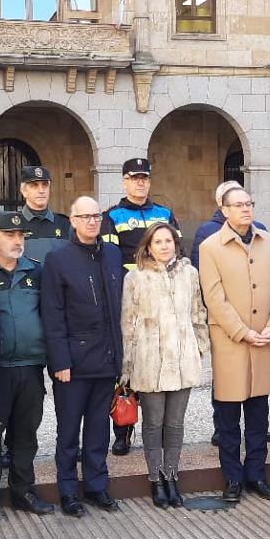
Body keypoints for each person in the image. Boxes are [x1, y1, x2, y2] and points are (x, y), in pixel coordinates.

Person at [199, 186, 270, 502]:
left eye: (249, 203)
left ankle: (257, 475)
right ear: (224, 210)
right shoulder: (210, 247)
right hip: (231, 343)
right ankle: (233, 478)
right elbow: (214, 298)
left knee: (259, 415)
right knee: (228, 417)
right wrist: (244, 331)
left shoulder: (268, 242)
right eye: (238, 205)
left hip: (263, 340)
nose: (246, 209)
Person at [41, 196, 125, 517]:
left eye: (96, 216)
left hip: (105, 360)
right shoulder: (58, 260)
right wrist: (59, 361)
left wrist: (120, 360)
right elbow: (53, 314)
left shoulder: (113, 254)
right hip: (72, 365)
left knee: (98, 430)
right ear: (72, 221)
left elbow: (116, 308)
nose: (92, 221)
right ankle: (67, 490)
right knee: (68, 432)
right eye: (85, 216)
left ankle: (96, 486)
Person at [121, 222, 210, 508]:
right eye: (157, 242)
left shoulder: (190, 274)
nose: (163, 246)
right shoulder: (135, 278)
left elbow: (198, 313)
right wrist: (127, 365)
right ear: (148, 246)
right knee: (153, 423)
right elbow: (128, 323)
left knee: (174, 424)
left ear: (176, 243)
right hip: (150, 361)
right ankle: (155, 478)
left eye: (168, 241)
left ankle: (172, 475)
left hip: (182, 358)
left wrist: (200, 348)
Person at [0, 211, 56, 516]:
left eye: (21, 235)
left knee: (25, 435)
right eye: (10, 235)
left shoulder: (35, 271)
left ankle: (23, 491)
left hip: (31, 366)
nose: (18, 240)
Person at [103, 158, 182, 456]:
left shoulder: (164, 213)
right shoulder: (112, 216)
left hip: (163, 302)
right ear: (124, 181)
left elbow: (178, 251)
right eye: (134, 178)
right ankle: (122, 431)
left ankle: (158, 429)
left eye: (144, 178)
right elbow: (110, 258)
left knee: (158, 367)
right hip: (130, 300)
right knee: (127, 369)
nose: (140, 183)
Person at [17, 165, 72, 264]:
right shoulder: (14, 225)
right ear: (24, 191)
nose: (41, 190)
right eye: (34, 185)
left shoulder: (65, 224)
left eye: (45, 185)